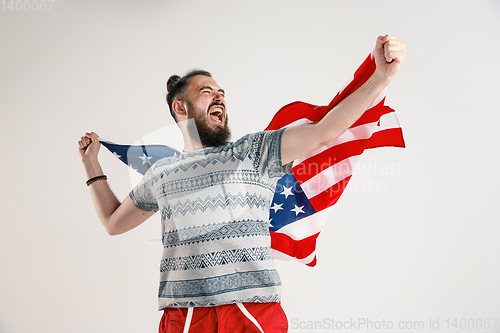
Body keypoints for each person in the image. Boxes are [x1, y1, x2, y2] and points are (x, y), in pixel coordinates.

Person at [78, 35, 406, 333]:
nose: (219, 98)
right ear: (181, 107)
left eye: (221, 94)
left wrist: (381, 78)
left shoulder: (254, 151)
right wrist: (92, 164)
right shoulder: (162, 174)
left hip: (252, 314)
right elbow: (112, 222)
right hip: (186, 318)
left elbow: (324, 131)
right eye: (207, 93)